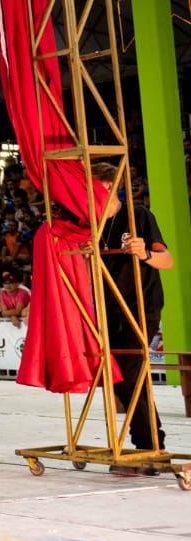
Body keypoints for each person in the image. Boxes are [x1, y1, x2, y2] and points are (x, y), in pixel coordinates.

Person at [93, 162, 174, 466]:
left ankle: (150, 444)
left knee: (126, 376)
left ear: (110, 186)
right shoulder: (91, 222)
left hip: (141, 306)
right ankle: (150, 443)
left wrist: (145, 253)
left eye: (95, 187)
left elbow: (167, 260)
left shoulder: (139, 215)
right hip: (109, 308)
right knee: (122, 377)